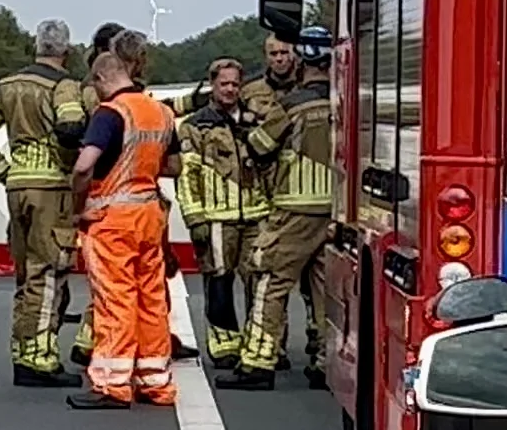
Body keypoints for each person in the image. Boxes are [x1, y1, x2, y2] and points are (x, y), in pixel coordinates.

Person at [0, 19, 89, 386]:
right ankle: (40, 358)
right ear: (65, 51)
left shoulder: (9, 85)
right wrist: (72, 167)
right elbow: (69, 129)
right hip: (51, 189)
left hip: (17, 186)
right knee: (48, 272)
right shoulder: (63, 85)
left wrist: (4, 170)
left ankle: (23, 349)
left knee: (25, 273)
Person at [64, 35, 177, 408]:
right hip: (150, 214)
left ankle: (112, 384)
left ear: (99, 80)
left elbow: (84, 165)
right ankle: (154, 380)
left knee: (115, 299)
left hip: (112, 220)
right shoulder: (160, 112)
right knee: (152, 298)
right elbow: (174, 165)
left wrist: (79, 205)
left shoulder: (110, 113)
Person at [225, 28, 338, 391]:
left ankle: (258, 361)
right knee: (326, 288)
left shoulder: (291, 104)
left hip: (295, 205)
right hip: (338, 207)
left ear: (302, 61)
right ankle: (325, 362)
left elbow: (260, 146)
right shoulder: (347, 102)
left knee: (268, 278)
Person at [174, 56, 266, 340]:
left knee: (259, 282)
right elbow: (186, 175)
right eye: (224, 83)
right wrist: (194, 218)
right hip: (215, 218)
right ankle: (224, 343)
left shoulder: (255, 123)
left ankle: (257, 343)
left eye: (235, 84)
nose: (229, 89)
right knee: (218, 282)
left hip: (256, 215)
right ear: (212, 84)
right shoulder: (194, 126)